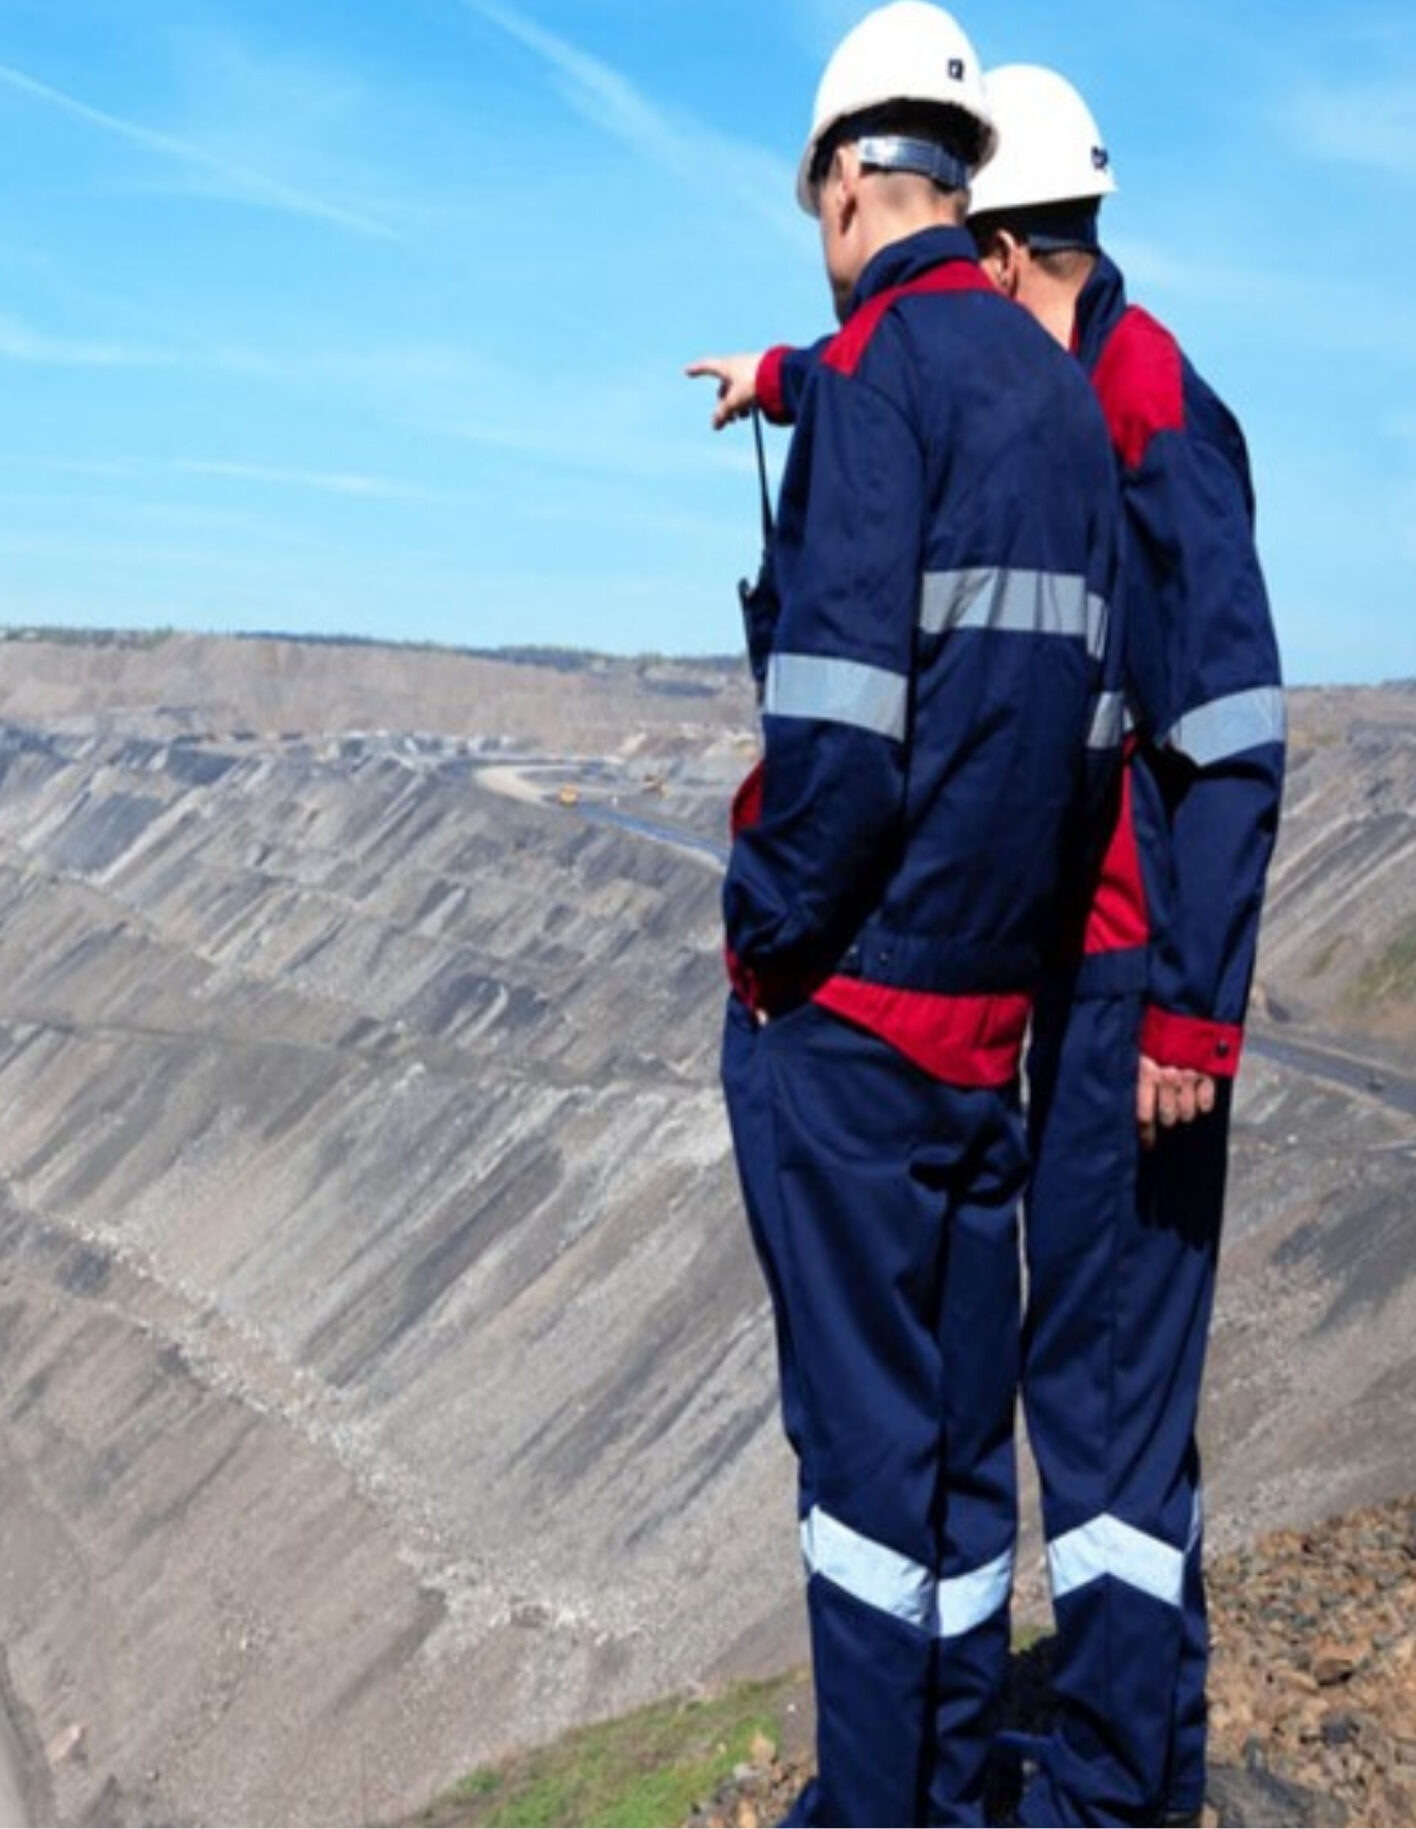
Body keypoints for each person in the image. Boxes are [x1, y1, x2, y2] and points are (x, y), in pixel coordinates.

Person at [692, 63, 1287, 1825]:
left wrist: (1191, 1013)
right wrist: (784, 376)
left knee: (1070, 1426)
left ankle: (1104, 1791)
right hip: (1016, 1005)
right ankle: (1026, 1780)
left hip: (1087, 1001)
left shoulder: (1138, 399)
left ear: (1001, 238)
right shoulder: (1055, 384)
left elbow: (1228, 729)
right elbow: (927, 399)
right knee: (999, 1427)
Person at [710, 7, 1121, 1823]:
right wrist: (787, 376)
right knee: (960, 1473)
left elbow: (842, 741)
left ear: (850, 180)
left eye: (815, 197)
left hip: (860, 1028)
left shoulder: (883, 383)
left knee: (866, 1489)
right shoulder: (1053, 386)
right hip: (991, 1031)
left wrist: (767, 934)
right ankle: (951, 1799)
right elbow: (1076, 732)